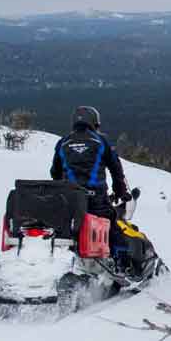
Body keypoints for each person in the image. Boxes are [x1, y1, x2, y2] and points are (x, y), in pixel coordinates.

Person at [50, 106, 130, 255]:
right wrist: (120, 191)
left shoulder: (63, 142)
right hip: (96, 199)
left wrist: (63, 187)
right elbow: (116, 169)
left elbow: (55, 172)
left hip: (70, 199)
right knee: (113, 229)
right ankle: (123, 267)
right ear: (94, 122)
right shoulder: (101, 142)